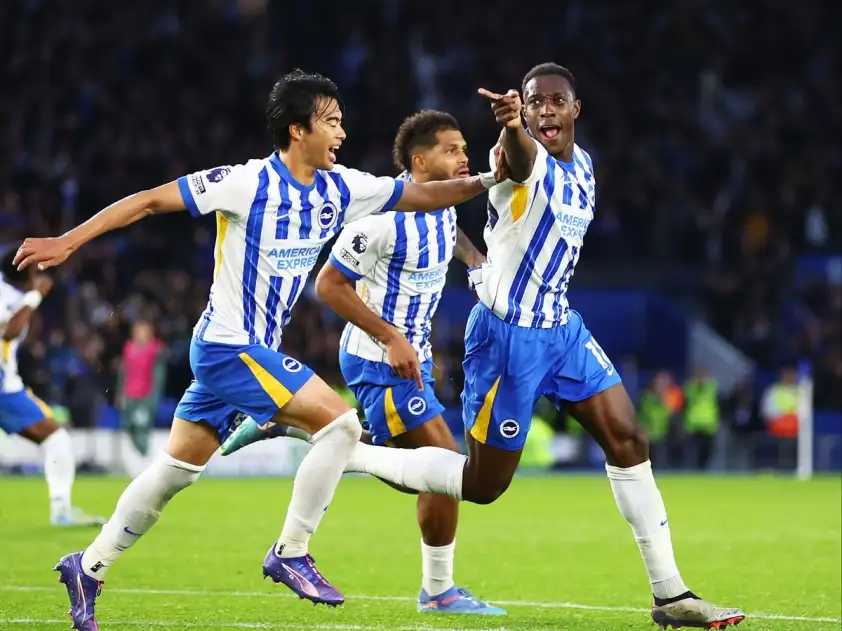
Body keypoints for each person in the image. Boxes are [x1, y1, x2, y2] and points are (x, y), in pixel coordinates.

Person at [15, 69, 503, 631]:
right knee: (341, 426)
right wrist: (67, 241)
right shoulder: (245, 183)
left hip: (247, 352)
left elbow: (430, 193)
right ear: (298, 129)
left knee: (176, 472)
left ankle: (89, 565)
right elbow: (149, 202)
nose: (342, 132)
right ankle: (292, 550)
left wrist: (499, 174)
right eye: (331, 121)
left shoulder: (341, 188)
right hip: (228, 347)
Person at [336, 63, 746, 629]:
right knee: (484, 486)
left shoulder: (585, 167)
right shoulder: (516, 158)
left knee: (629, 439)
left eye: (556, 101)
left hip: (562, 329)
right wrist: (510, 126)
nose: (545, 110)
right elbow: (522, 159)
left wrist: (475, 260)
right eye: (534, 103)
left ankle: (671, 595)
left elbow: (481, 229)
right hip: (508, 340)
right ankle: (347, 452)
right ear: (524, 112)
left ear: (576, 109)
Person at [220, 110, 504, 615]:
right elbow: (329, 284)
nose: (464, 157)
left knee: (424, 471)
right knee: (446, 468)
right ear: (420, 163)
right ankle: (438, 592)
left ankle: (295, 428)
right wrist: (391, 337)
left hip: (411, 359)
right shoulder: (380, 221)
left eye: (465, 149)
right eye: (452, 150)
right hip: (378, 359)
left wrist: (475, 260)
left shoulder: (442, 204)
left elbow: (450, 231)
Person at [0, 246, 104, 528]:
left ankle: (62, 511)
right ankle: (61, 512)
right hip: (3, 389)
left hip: (8, 384)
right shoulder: (8, 296)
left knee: (56, 439)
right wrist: (35, 295)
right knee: (57, 439)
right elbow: (7, 332)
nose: (42, 275)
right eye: (38, 269)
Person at [117, 320, 167, 459]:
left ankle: (146, 456)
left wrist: (154, 396)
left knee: (142, 426)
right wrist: (120, 392)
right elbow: (124, 372)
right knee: (127, 425)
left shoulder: (155, 350)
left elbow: (158, 375)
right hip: (130, 395)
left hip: (145, 396)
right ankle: (143, 455)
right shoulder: (128, 348)